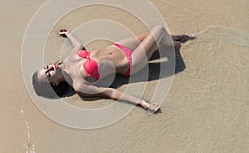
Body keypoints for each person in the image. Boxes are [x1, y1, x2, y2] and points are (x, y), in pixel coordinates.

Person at [32, 26, 195, 114]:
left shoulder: (67, 60)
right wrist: (142, 103)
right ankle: (178, 45)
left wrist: (68, 34)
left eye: (46, 67)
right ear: (54, 83)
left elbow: (78, 46)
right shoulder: (79, 85)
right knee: (158, 31)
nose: (50, 68)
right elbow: (110, 92)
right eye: (48, 74)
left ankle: (178, 39)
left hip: (119, 46)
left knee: (153, 36)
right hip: (130, 63)